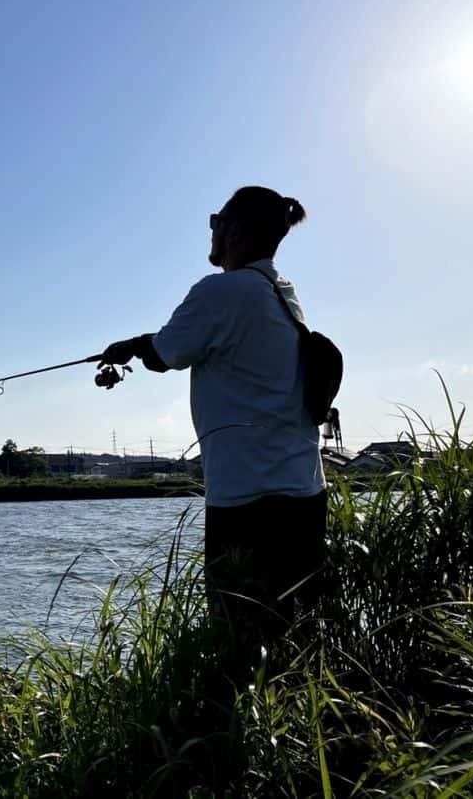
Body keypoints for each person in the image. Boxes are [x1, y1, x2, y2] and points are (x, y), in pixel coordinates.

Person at [99, 185, 327, 630]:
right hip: (304, 494)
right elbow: (178, 346)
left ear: (233, 231)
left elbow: (167, 354)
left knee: (238, 637)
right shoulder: (282, 291)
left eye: (214, 223)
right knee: (297, 633)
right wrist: (142, 346)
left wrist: (134, 347)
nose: (211, 232)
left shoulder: (222, 291)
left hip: (248, 500)